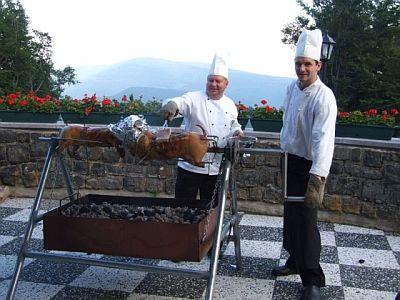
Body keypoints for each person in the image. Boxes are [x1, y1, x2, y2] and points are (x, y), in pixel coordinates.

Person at [272, 29, 337, 300]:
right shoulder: (291, 88)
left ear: (318, 66)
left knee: (307, 221)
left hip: (310, 167)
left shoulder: (324, 96)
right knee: (290, 216)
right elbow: (288, 125)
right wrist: (282, 154)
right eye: (299, 63)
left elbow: (324, 139)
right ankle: (294, 260)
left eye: (307, 64)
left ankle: (313, 280)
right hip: (290, 160)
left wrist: (317, 178)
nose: (302, 68)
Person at [160, 53, 243, 202]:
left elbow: (233, 125)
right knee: (182, 207)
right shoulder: (194, 98)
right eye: (210, 80)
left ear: (226, 84)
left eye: (218, 81)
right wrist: (172, 105)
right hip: (190, 167)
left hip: (216, 168)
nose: (213, 84)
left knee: (212, 211)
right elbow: (181, 102)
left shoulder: (230, 105)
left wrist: (237, 132)